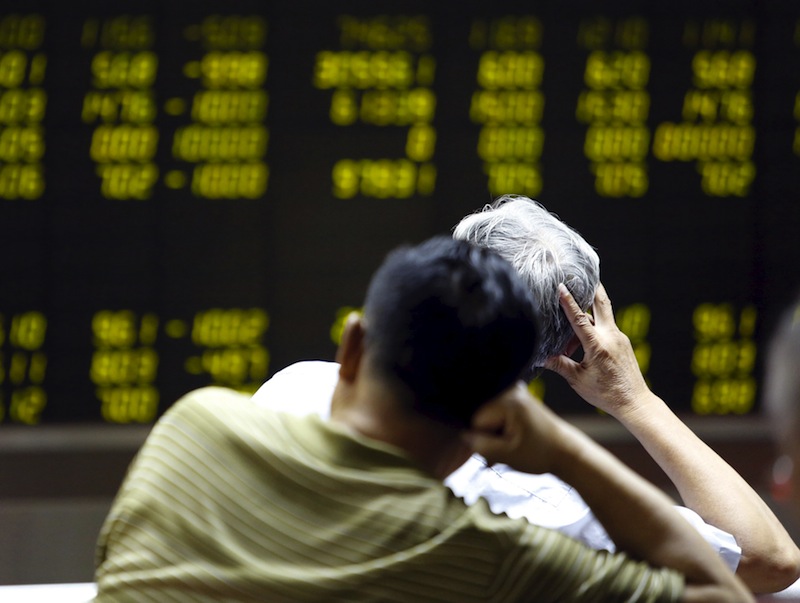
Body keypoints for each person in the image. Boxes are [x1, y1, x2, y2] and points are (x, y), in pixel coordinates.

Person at [94, 236, 751, 601]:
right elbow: (729, 589)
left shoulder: (194, 425)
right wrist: (566, 450)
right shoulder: (484, 556)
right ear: (498, 412)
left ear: (352, 345)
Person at [253, 195, 800, 594]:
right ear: (559, 347)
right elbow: (771, 560)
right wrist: (635, 401)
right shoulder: (545, 519)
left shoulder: (291, 391)